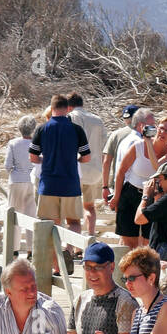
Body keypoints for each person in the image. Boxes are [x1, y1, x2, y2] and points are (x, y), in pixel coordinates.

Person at [29, 93, 90, 234]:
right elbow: (87, 158)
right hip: (70, 183)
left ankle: (54, 255)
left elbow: (32, 157)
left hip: (49, 183)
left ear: (52, 108)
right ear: (68, 109)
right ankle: (69, 250)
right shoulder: (76, 130)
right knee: (74, 222)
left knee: (51, 224)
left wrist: (44, 160)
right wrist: (75, 160)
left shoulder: (42, 129)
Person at [109, 109, 159, 248]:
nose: (154, 128)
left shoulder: (127, 139)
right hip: (131, 192)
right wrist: (117, 197)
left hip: (126, 191)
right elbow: (122, 171)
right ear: (141, 125)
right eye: (151, 125)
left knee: (127, 241)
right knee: (133, 242)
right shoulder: (137, 142)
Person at [67, 93, 105, 235]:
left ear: (69, 106)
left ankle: (75, 244)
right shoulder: (97, 119)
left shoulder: (72, 117)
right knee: (90, 207)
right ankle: (90, 237)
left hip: (77, 168)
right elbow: (103, 144)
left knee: (73, 212)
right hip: (95, 169)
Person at [2, 115, 36, 253]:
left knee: (15, 215)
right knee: (31, 215)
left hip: (16, 181)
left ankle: (14, 248)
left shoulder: (13, 143)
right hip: (32, 181)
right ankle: (30, 249)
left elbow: (7, 165)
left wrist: (13, 171)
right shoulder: (37, 143)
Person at [101, 105, 137, 210]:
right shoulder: (144, 134)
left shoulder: (116, 135)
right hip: (139, 183)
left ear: (125, 118)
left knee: (121, 220)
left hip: (119, 184)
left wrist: (105, 186)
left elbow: (106, 162)